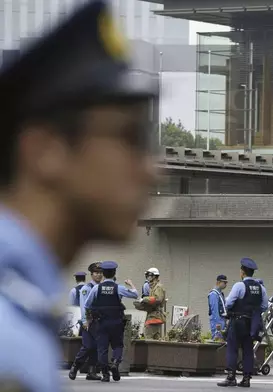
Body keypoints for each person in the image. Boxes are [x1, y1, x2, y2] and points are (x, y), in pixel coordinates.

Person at [0, 1, 158, 391]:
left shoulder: (22, 303)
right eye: (128, 137)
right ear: (46, 151)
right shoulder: (11, 352)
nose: (153, 168)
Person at [218, 258, 268, 387]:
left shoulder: (239, 286)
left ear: (242, 272)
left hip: (238, 321)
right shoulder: (261, 288)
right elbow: (264, 306)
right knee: (248, 350)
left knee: (233, 348)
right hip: (252, 323)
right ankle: (246, 379)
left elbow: (228, 303)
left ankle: (231, 377)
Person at [85, 261, 139, 382]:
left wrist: (89, 319)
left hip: (101, 323)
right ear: (114, 273)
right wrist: (131, 284)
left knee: (102, 349)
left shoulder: (96, 288)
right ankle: (115, 363)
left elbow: (87, 304)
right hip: (116, 322)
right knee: (118, 345)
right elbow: (136, 295)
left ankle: (105, 374)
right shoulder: (118, 288)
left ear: (103, 273)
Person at [69, 262, 104, 381]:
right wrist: (85, 321)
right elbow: (84, 305)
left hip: (100, 321)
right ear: (91, 274)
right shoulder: (86, 288)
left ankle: (92, 372)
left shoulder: (103, 287)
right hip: (89, 321)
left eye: (100, 273)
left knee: (95, 346)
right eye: (96, 273)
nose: (99, 275)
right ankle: (75, 366)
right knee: (87, 346)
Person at [139, 267, 166, 339]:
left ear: (154, 276)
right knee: (156, 340)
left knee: (148, 337)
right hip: (153, 315)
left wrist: (144, 299)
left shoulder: (158, 287)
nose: (147, 277)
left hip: (154, 316)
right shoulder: (153, 287)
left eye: (149, 275)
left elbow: (158, 299)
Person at [209, 274, 228, 340]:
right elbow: (215, 311)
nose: (226, 284)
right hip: (217, 322)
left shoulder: (220, 294)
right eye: (224, 282)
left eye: (226, 283)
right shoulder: (214, 294)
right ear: (218, 282)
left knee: (221, 341)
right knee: (216, 340)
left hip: (222, 321)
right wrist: (218, 325)